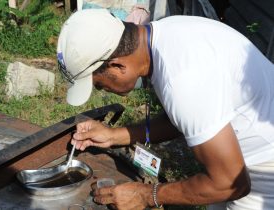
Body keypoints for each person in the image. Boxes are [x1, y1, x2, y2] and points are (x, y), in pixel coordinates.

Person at [57, 9, 274, 210]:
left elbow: (230, 184)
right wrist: (114, 135)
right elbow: (183, 119)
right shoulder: (165, 36)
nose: (101, 89)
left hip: (263, 165)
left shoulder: (182, 81)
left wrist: (146, 195)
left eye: (98, 83)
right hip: (234, 157)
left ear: (117, 65)